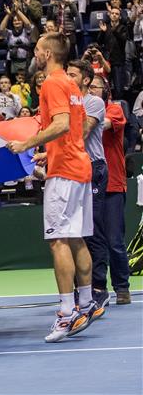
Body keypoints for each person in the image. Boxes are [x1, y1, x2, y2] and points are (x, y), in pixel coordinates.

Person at [6, 32, 101, 343]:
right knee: (75, 238)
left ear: (47, 54)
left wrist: (26, 144)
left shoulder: (51, 83)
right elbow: (81, 124)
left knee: (58, 241)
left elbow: (60, 124)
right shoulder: (72, 85)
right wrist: (54, 149)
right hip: (79, 166)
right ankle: (86, 304)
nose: (34, 53)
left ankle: (66, 312)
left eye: (37, 49)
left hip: (65, 174)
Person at [66, 61, 110, 315]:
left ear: (85, 80)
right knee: (75, 232)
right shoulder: (68, 102)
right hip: (73, 169)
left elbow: (81, 133)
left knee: (93, 228)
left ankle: (99, 288)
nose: (68, 78)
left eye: (72, 75)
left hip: (94, 168)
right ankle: (81, 289)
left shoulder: (94, 102)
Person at [100, 80, 133, 305]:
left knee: (114, 241)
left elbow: (101, 124)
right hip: (87, 184)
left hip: (113, 184)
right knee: (93, 242)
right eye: (88, 86)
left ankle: (122, 287)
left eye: (95, 87)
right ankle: (97, 289)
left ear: (105, 91)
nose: (91, 90)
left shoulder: (114, 108)